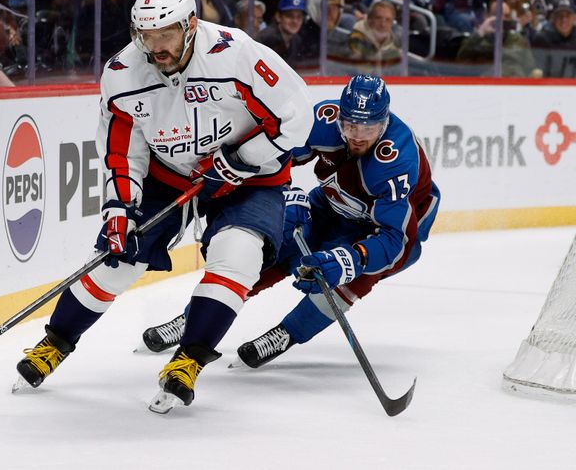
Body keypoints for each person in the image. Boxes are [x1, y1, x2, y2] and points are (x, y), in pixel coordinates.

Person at [14, 0, 313, 413]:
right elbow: (122, 149)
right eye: (146, 36)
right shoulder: (122, 73)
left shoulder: (236, 54)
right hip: (168, 177)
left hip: (249, 180)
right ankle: (54, 342)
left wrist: (240, 159)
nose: (157, 47)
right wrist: (120, 205)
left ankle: (188, 361)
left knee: (239, 257)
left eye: (166, 34)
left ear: (190, 24)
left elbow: (296, 116)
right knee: (118, 259)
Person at [139, 75, 441, 371]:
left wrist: (352, 258)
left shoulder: (396, 162)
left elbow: (394, 240)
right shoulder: (324, 120)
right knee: (272, 249)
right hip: (332, 202)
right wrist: (286, 192)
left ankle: (287, 334)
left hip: (393, 228)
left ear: (384, 123)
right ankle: (193, 320)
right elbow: (276, 155)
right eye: (351, 126)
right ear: (340, 119)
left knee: (347, 279)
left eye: (369, 128)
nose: (358, 136)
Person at [348, 0, 401, 73]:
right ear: (369, 20)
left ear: (392, 23)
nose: (383, 24)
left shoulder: (395, 47)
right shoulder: (355, 39)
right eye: (378, 18)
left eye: (388, 20)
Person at [256, 0, 306, 65]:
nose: (295, 21)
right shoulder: (266, 38)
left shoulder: (296, 40)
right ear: (278, 17)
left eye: (299, 17)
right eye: (290, 16)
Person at [532, 0, 576, 77]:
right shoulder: (542, 40)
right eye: (560, 16)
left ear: (574, 18)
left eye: (568, 15)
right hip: (549, 86)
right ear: (553, 18)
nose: (564, 20)